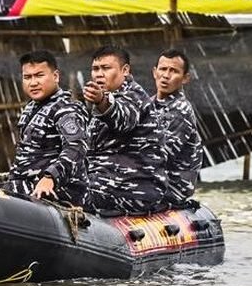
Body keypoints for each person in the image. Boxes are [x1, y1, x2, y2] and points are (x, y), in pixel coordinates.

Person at [82, 45, 167, 214]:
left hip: (133, 191)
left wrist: (101, 102)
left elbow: (122, 120)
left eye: (106, 68)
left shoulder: (134, 96)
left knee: (68, 194)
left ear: (125, 70)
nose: (99, 74)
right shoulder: (103, 100)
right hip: (104, 186)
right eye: (95, 69)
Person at [6, 50, 89, 205]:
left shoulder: (66, 109)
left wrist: (51, 177)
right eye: (27, 77)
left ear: (55, 76)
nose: (33, 82)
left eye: (39, 75)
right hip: (26, 185)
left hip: (58, 191)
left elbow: (77, 147)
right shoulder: (31, 108)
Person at [149, 49, 203, 207]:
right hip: (151, 180)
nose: (166, 76)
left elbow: (160, 156)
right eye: (163, 69)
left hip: (172, 187)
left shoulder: (181, 110)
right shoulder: (148, 105)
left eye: (173, 71)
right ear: (154, 72)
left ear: (185, 78)